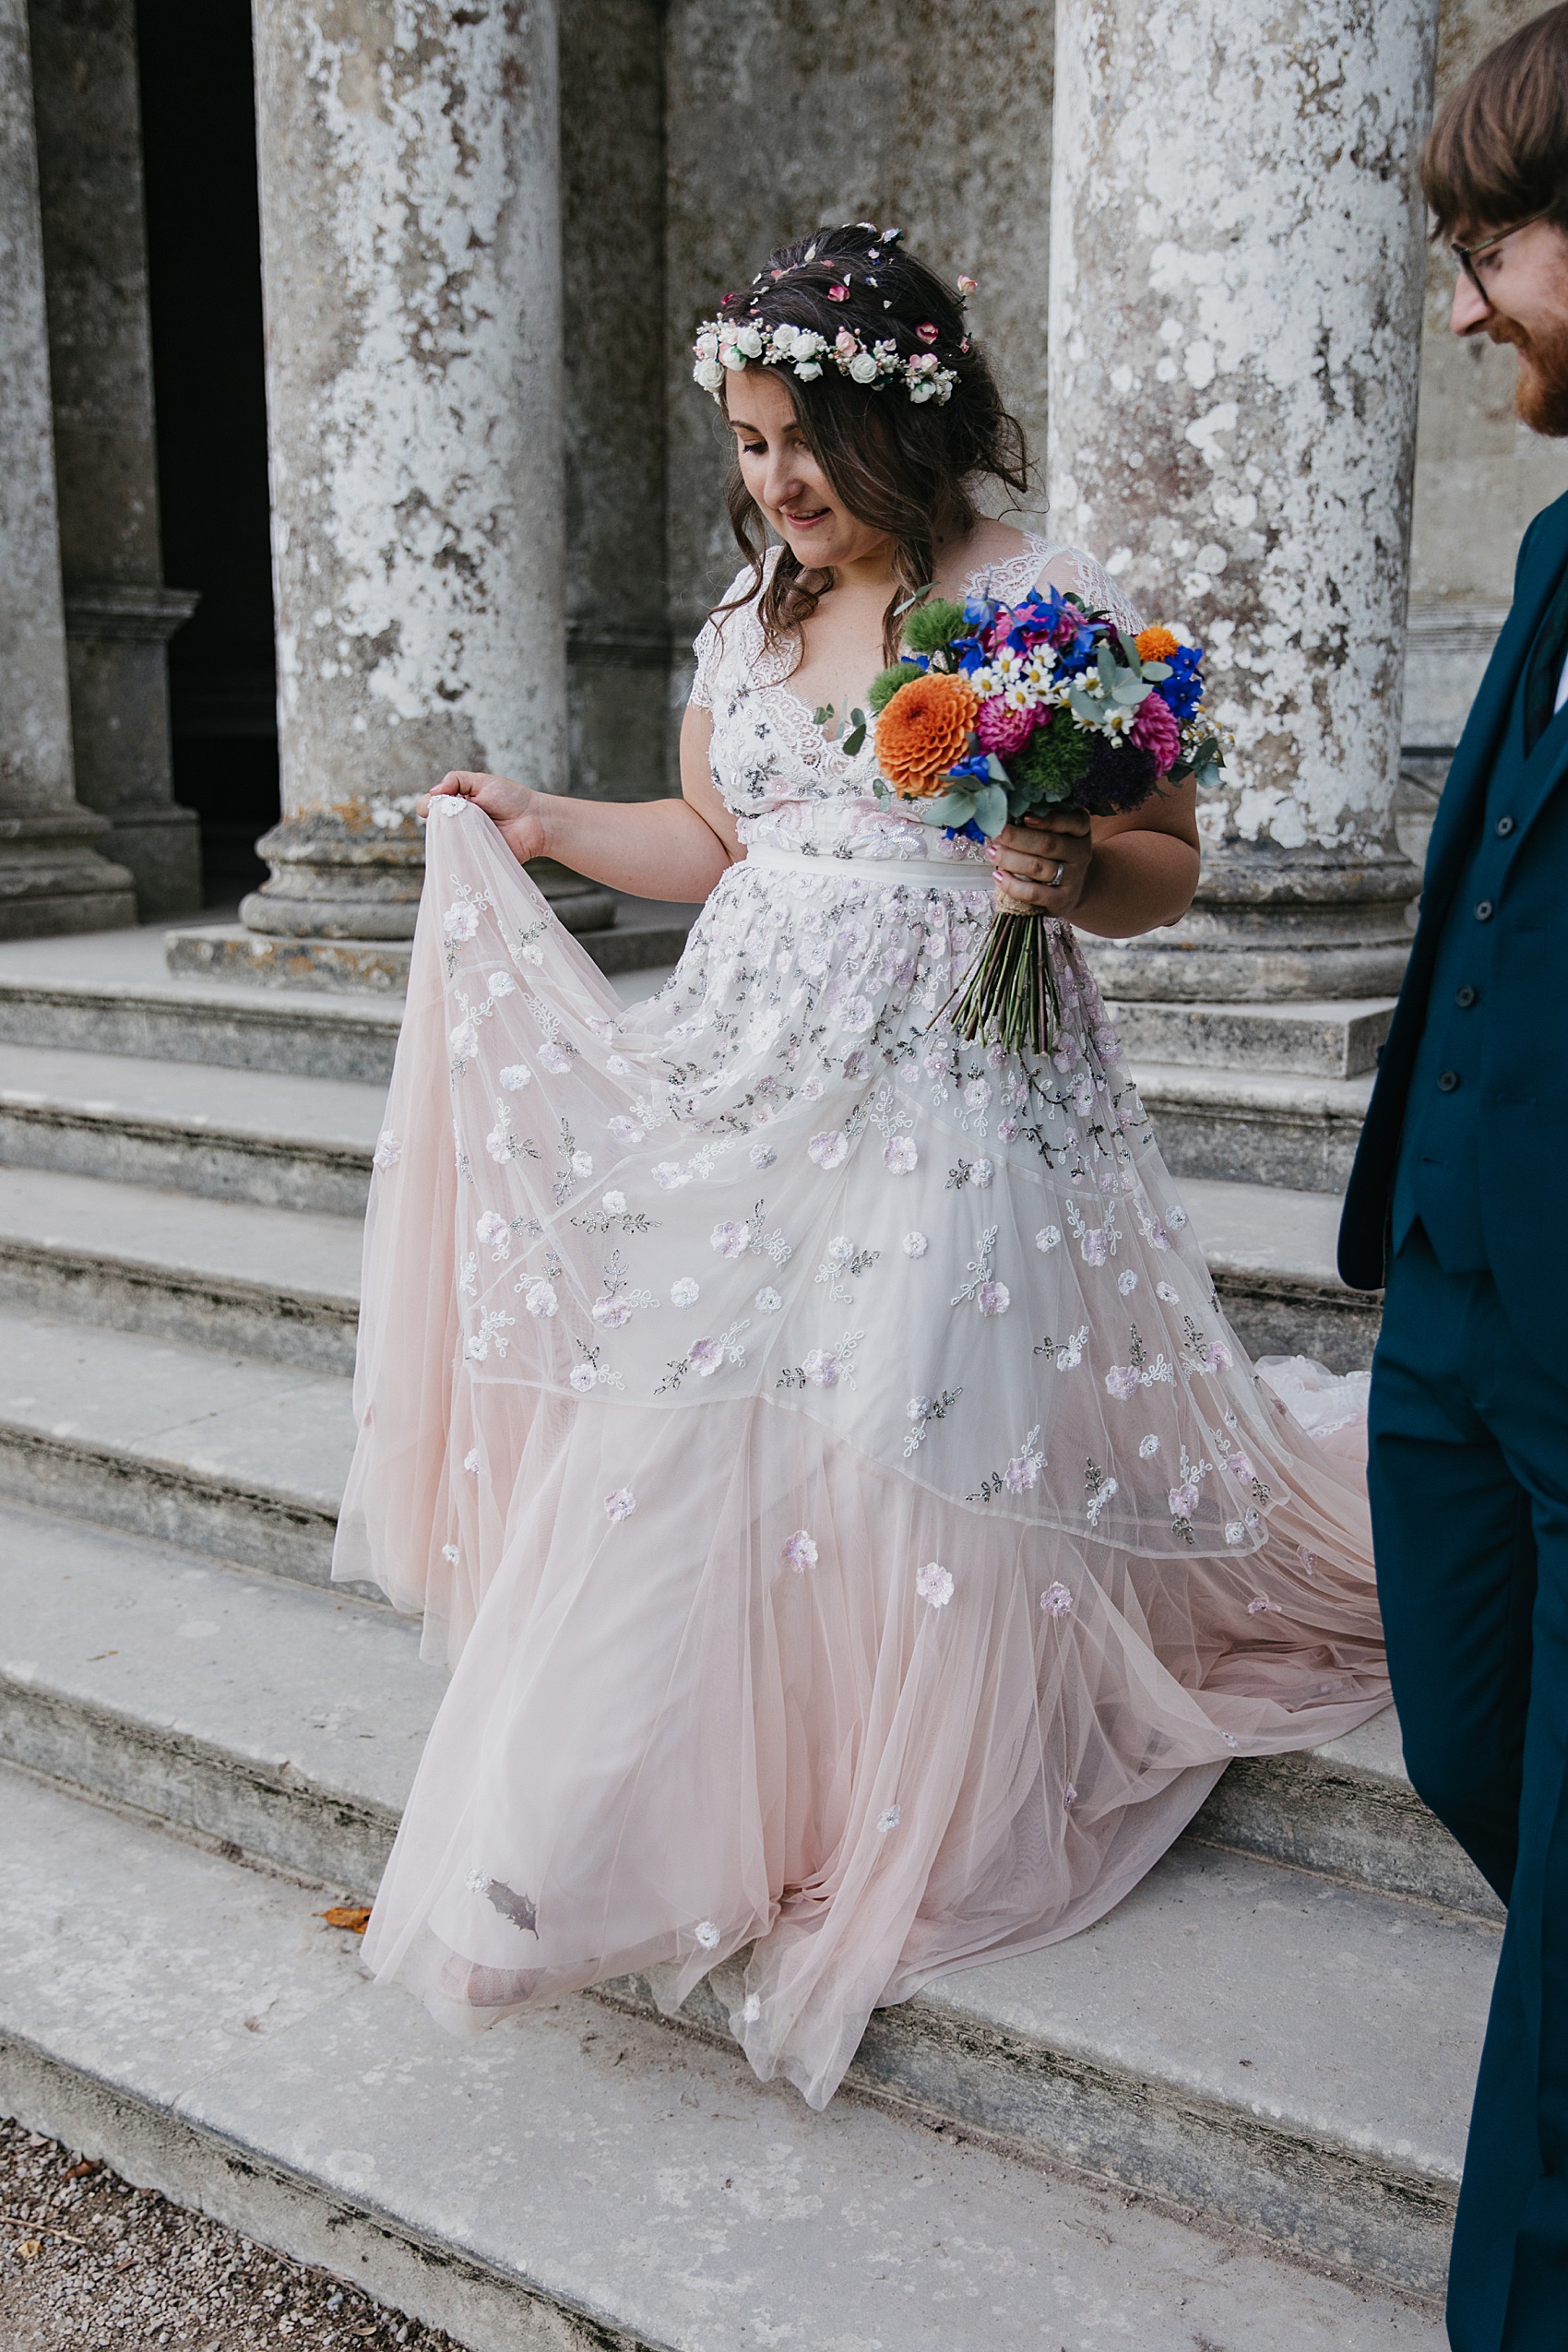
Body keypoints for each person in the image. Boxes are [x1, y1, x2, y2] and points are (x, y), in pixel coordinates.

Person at [340, 221, 1388, 2111]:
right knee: (701, 1440)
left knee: (910, 1416)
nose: (775, 481)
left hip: (964, 1091)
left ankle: (897, 1789)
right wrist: (544, 820)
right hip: (756, 1080)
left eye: (800, 438)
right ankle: (603, 1844)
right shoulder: (746, 623)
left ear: (901, 423)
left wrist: (1068, 873)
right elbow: (717, 833)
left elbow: (1165, 860)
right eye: (746, 445)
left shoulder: (1034, 603)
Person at [1337, 13, 1568, 2345]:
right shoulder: (1555, 547)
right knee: (1459, 1739)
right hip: (1456, 1316)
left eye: (1488, 239)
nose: (1458, 299)